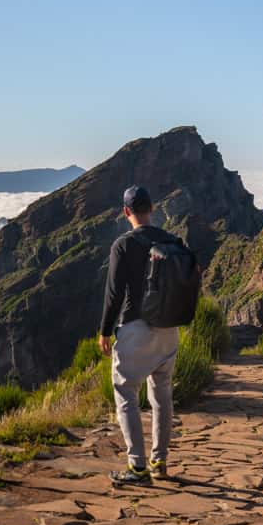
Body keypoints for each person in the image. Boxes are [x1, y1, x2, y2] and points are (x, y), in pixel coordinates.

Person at [98, 186, 182, 486]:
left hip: (136, 328)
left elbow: (114, 293)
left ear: (126, 212)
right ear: (152, 208)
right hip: (170, 330)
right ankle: (160, 461)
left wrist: (105, 331)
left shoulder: (124, 244)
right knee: (161, 396)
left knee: (125, 394)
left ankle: (137, 467)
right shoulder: (172, 240)